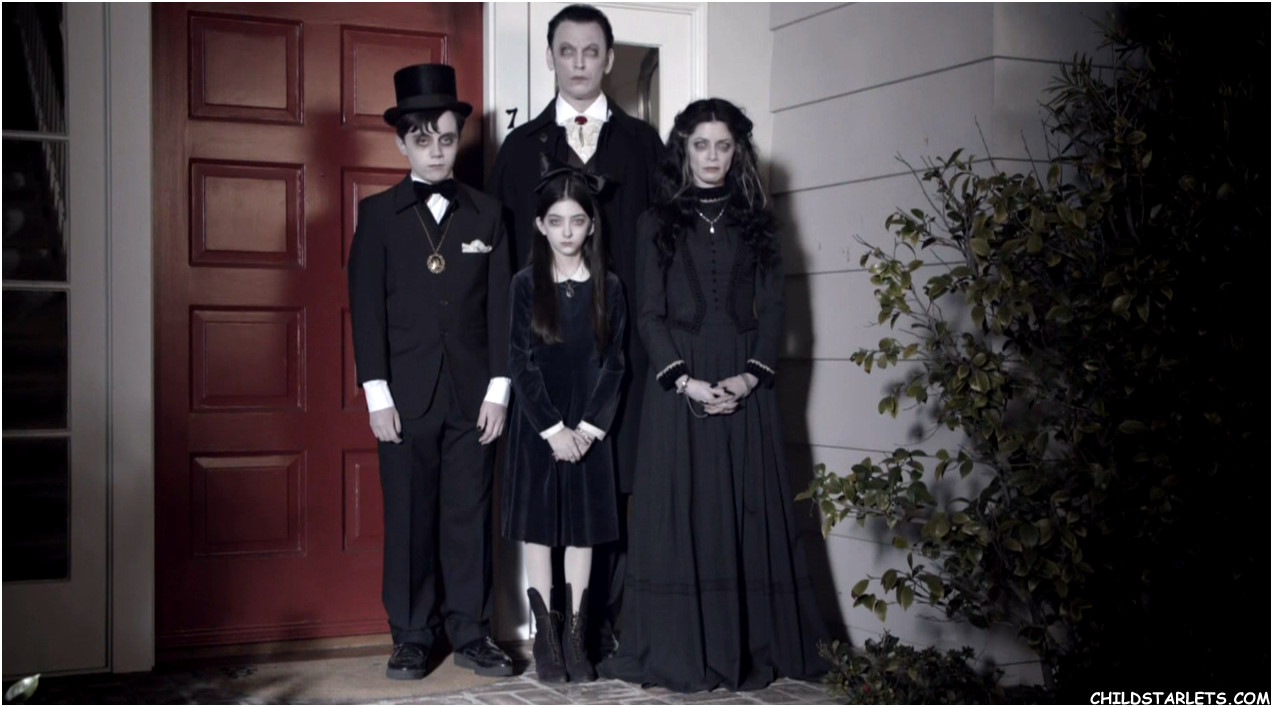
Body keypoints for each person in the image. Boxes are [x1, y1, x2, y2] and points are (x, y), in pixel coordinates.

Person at [598, 98, 829, 692]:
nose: (712, 157)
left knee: (743, 511)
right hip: (679, 385)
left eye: (723, 146)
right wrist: (685, 381)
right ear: (684, 149)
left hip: (744, 380)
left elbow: (775, 309)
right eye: (701, 145)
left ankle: (749, 645)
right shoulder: (655, 222)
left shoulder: (760, 221)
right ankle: (683, 648)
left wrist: (750, 378)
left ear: (737, 152)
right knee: (684, 512)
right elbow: (648, 315)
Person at [490, 4, 663, 658]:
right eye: (568, 50)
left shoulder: (644, 146)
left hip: (620, 351)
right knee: (545, 492)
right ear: (550, 57)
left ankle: (598, 625)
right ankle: (551, 633)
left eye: (592, 51)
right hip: (544, 357)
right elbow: (504, 260)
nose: (580, 63)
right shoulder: (519, 149)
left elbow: (664, 250)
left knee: (612, 484)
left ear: (609, 59)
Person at [347, 63, 516, 681]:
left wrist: (499, 390)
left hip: (474, 397)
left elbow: (502, 309)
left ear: (458, 138)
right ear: (402, 143)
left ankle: (472, 632)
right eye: (423, 140)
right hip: (405, 396)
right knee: (410, 518)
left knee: (469, 515)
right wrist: (377, 395)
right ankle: (413, 635)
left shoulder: (488, 215)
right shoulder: (378, 216)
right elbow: (366, 309)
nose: (437, 150)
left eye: (447, 138)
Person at [502, 155, 627, 683]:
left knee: (583, 533)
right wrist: (553, 430)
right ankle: (546, 640)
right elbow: (520, 362)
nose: (567, 232)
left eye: (577, 221)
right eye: (556, 222)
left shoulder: (609, 286)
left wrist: (589, 430)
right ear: (540, 226)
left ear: (591, 225)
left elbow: (616, 363)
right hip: (541, 429)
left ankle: (577, 636)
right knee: (540, 530)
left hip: (589, 431)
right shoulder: (525, 285)